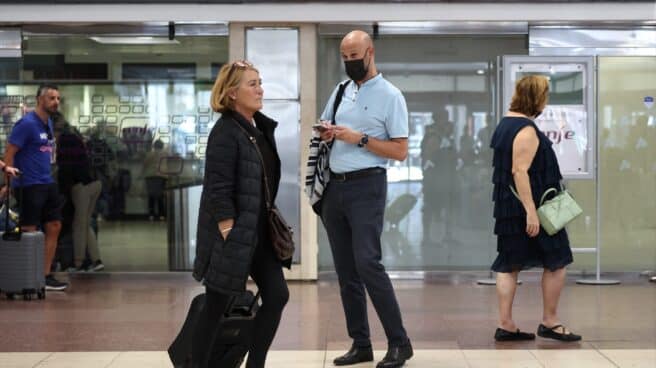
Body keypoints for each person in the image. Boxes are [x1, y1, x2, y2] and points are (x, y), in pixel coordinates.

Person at [317, 30, 413, 368]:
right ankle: (361, 343)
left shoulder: (391, 96)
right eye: (345, 57)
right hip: (334, 188)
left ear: (370, 53)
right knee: (346, 271)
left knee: (368, 264)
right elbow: (326, 124)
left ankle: (400, 342)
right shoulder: (341, 90)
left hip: (367, 187)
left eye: (354, 56)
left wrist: (360, 139)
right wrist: (327, 132)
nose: (349, 63)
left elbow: (400, 151)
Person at [191, 60, 289, 368]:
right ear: (232, 93)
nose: (260, 89)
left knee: (276, 296)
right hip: (233, 234)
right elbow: (218, 187)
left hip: (258, 232)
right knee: (216, 305)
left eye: (260, 82)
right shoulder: (225, 132)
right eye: (252, 84)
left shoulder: (256, 128)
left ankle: (255, 364)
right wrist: (227, 229)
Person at [490, 75, 581, 342]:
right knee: (558, 260)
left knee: (509, 264)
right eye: (545, 95)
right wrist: (531, 212)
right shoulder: (526, 130)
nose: (546, 101)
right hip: (536, 209)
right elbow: (520, 172)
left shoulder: (505, 124)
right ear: (536, 98)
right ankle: (550, 321)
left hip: (510, 208)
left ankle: (506, 324)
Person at [4, 84, 68, 291]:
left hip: (46, 182)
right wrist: (9, 183)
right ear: (40, 99)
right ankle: (27, 276)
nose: (56, 102)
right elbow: (10, 153)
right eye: (51, 98)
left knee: (55, 225)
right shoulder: (26, 124)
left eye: (58, 98)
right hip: (28, 184)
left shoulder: (48, 123)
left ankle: (45, 275)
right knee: (29, 230)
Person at [53, 113, 104, 272]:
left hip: (80, 186)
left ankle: (79, 263)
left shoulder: (65, 140)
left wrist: (62, 188)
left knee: (79, 226)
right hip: (93, 184)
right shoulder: (73, 137)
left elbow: (66, 168)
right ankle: (96, 260)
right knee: (85, 224)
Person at [142, 139, 167, 221]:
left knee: (151, 196)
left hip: (150, 176)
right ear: (162, 146)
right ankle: (162, 215)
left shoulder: (150, 154)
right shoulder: (165, 153)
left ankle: (151, 215)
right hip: (162, 176)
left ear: (154, 146)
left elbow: (145, 163)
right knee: (160, 196)